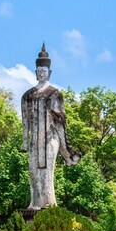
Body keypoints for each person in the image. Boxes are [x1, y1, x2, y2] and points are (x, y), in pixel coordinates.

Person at [21, 44, 78, 211]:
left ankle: (48, 204)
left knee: (46, 172)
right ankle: (35, 202)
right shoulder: (28, 95)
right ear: (35, 72)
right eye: (39, 70)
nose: (41, 73)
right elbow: (25, 121)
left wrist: (57, 115)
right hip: (34, 139)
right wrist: (24, 141)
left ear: (49, 73)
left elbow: (62, 119)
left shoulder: (55, 94)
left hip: (50, 137)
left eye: (44, 70)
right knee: (33, 172)